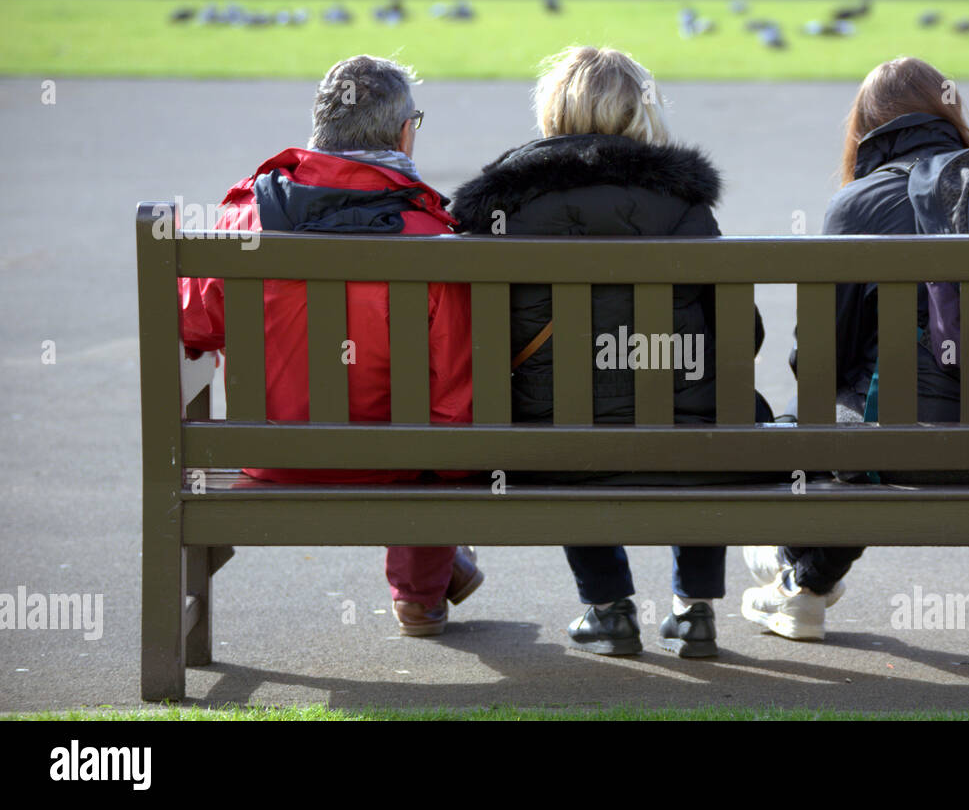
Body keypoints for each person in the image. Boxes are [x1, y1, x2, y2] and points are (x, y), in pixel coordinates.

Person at [743, 56, 969, 641]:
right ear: (948, 109)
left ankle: (794, 564)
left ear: (865, 126)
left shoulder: (861, 202)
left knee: (813, 422)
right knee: (867, 415)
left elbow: (817, 363)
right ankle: (801, 588)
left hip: (917, 451)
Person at [451, 46, 771, 658]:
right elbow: (741, 338)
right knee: (712, 406)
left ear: (553, 110)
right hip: (695, 441)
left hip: (540, 447)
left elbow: (469, 339)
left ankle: (607, 608)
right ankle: (694, 608)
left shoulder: (499, 206)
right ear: (638, 114)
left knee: (561, 408)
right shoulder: (683, 202)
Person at [177, 55, 482, 638]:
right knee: (438, 437)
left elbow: (192, 327)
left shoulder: (242, 223)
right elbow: (454, 400)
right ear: (402, 132)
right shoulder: (434, 241)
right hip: (393, 465)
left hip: (269, 454)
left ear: (321, 128)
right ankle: (419, 595)